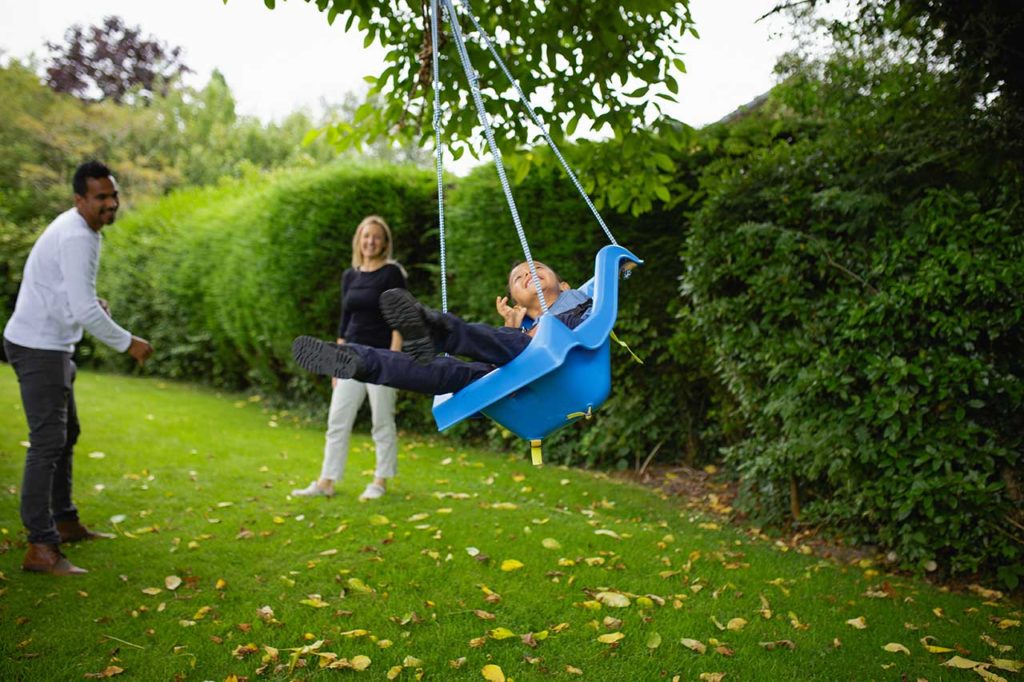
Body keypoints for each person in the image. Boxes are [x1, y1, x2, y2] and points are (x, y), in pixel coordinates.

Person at [3, 160, 154, 576]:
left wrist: (92, 306)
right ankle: (40, 546)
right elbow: (84, 309)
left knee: (66, 433)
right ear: (79, 200)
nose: (111, 204)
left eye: (114, 195)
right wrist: (131, 343)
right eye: (101, 197)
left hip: (51, 344)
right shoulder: (77, 236)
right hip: (38, 346)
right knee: (47, 442)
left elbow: (75, 296)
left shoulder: (81, 230)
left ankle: (65, 521)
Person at [291, 261, 593, 395]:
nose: (528, 274)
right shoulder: (524, 327)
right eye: (518, 278)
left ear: (564, 284)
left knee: (512, 342)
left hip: (558, 364)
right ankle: (358, 361)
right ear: (518, 302)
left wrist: (618, 268)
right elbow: (510, 345)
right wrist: (514, 327)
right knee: (441, 373)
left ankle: (435, 330)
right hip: (517, 373)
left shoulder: (578, 300)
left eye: (536, 268)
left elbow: (596, 305)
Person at [291, 215, 407, 501]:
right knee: (338, 421)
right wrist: (334, 361)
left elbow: (400, 319)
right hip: (349, 358)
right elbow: (345, 321)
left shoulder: (392, 273)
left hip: (381, 358)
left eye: (377, 237)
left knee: (382, 421)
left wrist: (394, 359)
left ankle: (380, 481)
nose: (371, 241)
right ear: (359, 239)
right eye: (366, 236)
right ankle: (326, 481)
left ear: (384, 242)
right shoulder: (350, 276)